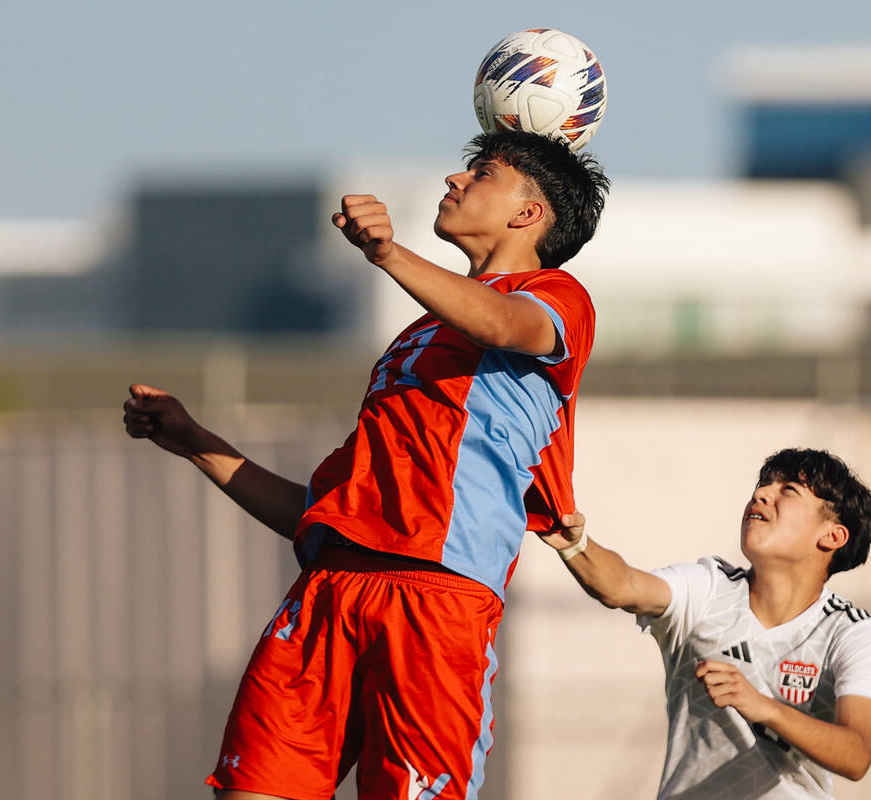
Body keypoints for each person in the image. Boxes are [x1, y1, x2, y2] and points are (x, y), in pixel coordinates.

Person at [122, 130, 609, 800]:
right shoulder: (420, 334)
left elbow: (502, 324)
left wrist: (387, 253)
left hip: (433, 597)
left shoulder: (557, 297)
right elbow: (318, 513)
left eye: (482, 173)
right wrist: (195, 441)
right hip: (328, 589)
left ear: (529, 214)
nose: (455, 180)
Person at [540, 447, 871, 799]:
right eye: (764, 484)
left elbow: (857, 753)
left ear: (832, 536)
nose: (761, 494)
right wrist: (576, 546)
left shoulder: (852, 633)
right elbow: (623, 585)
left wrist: (764, 707)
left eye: (788, 490)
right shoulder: (708, 589)